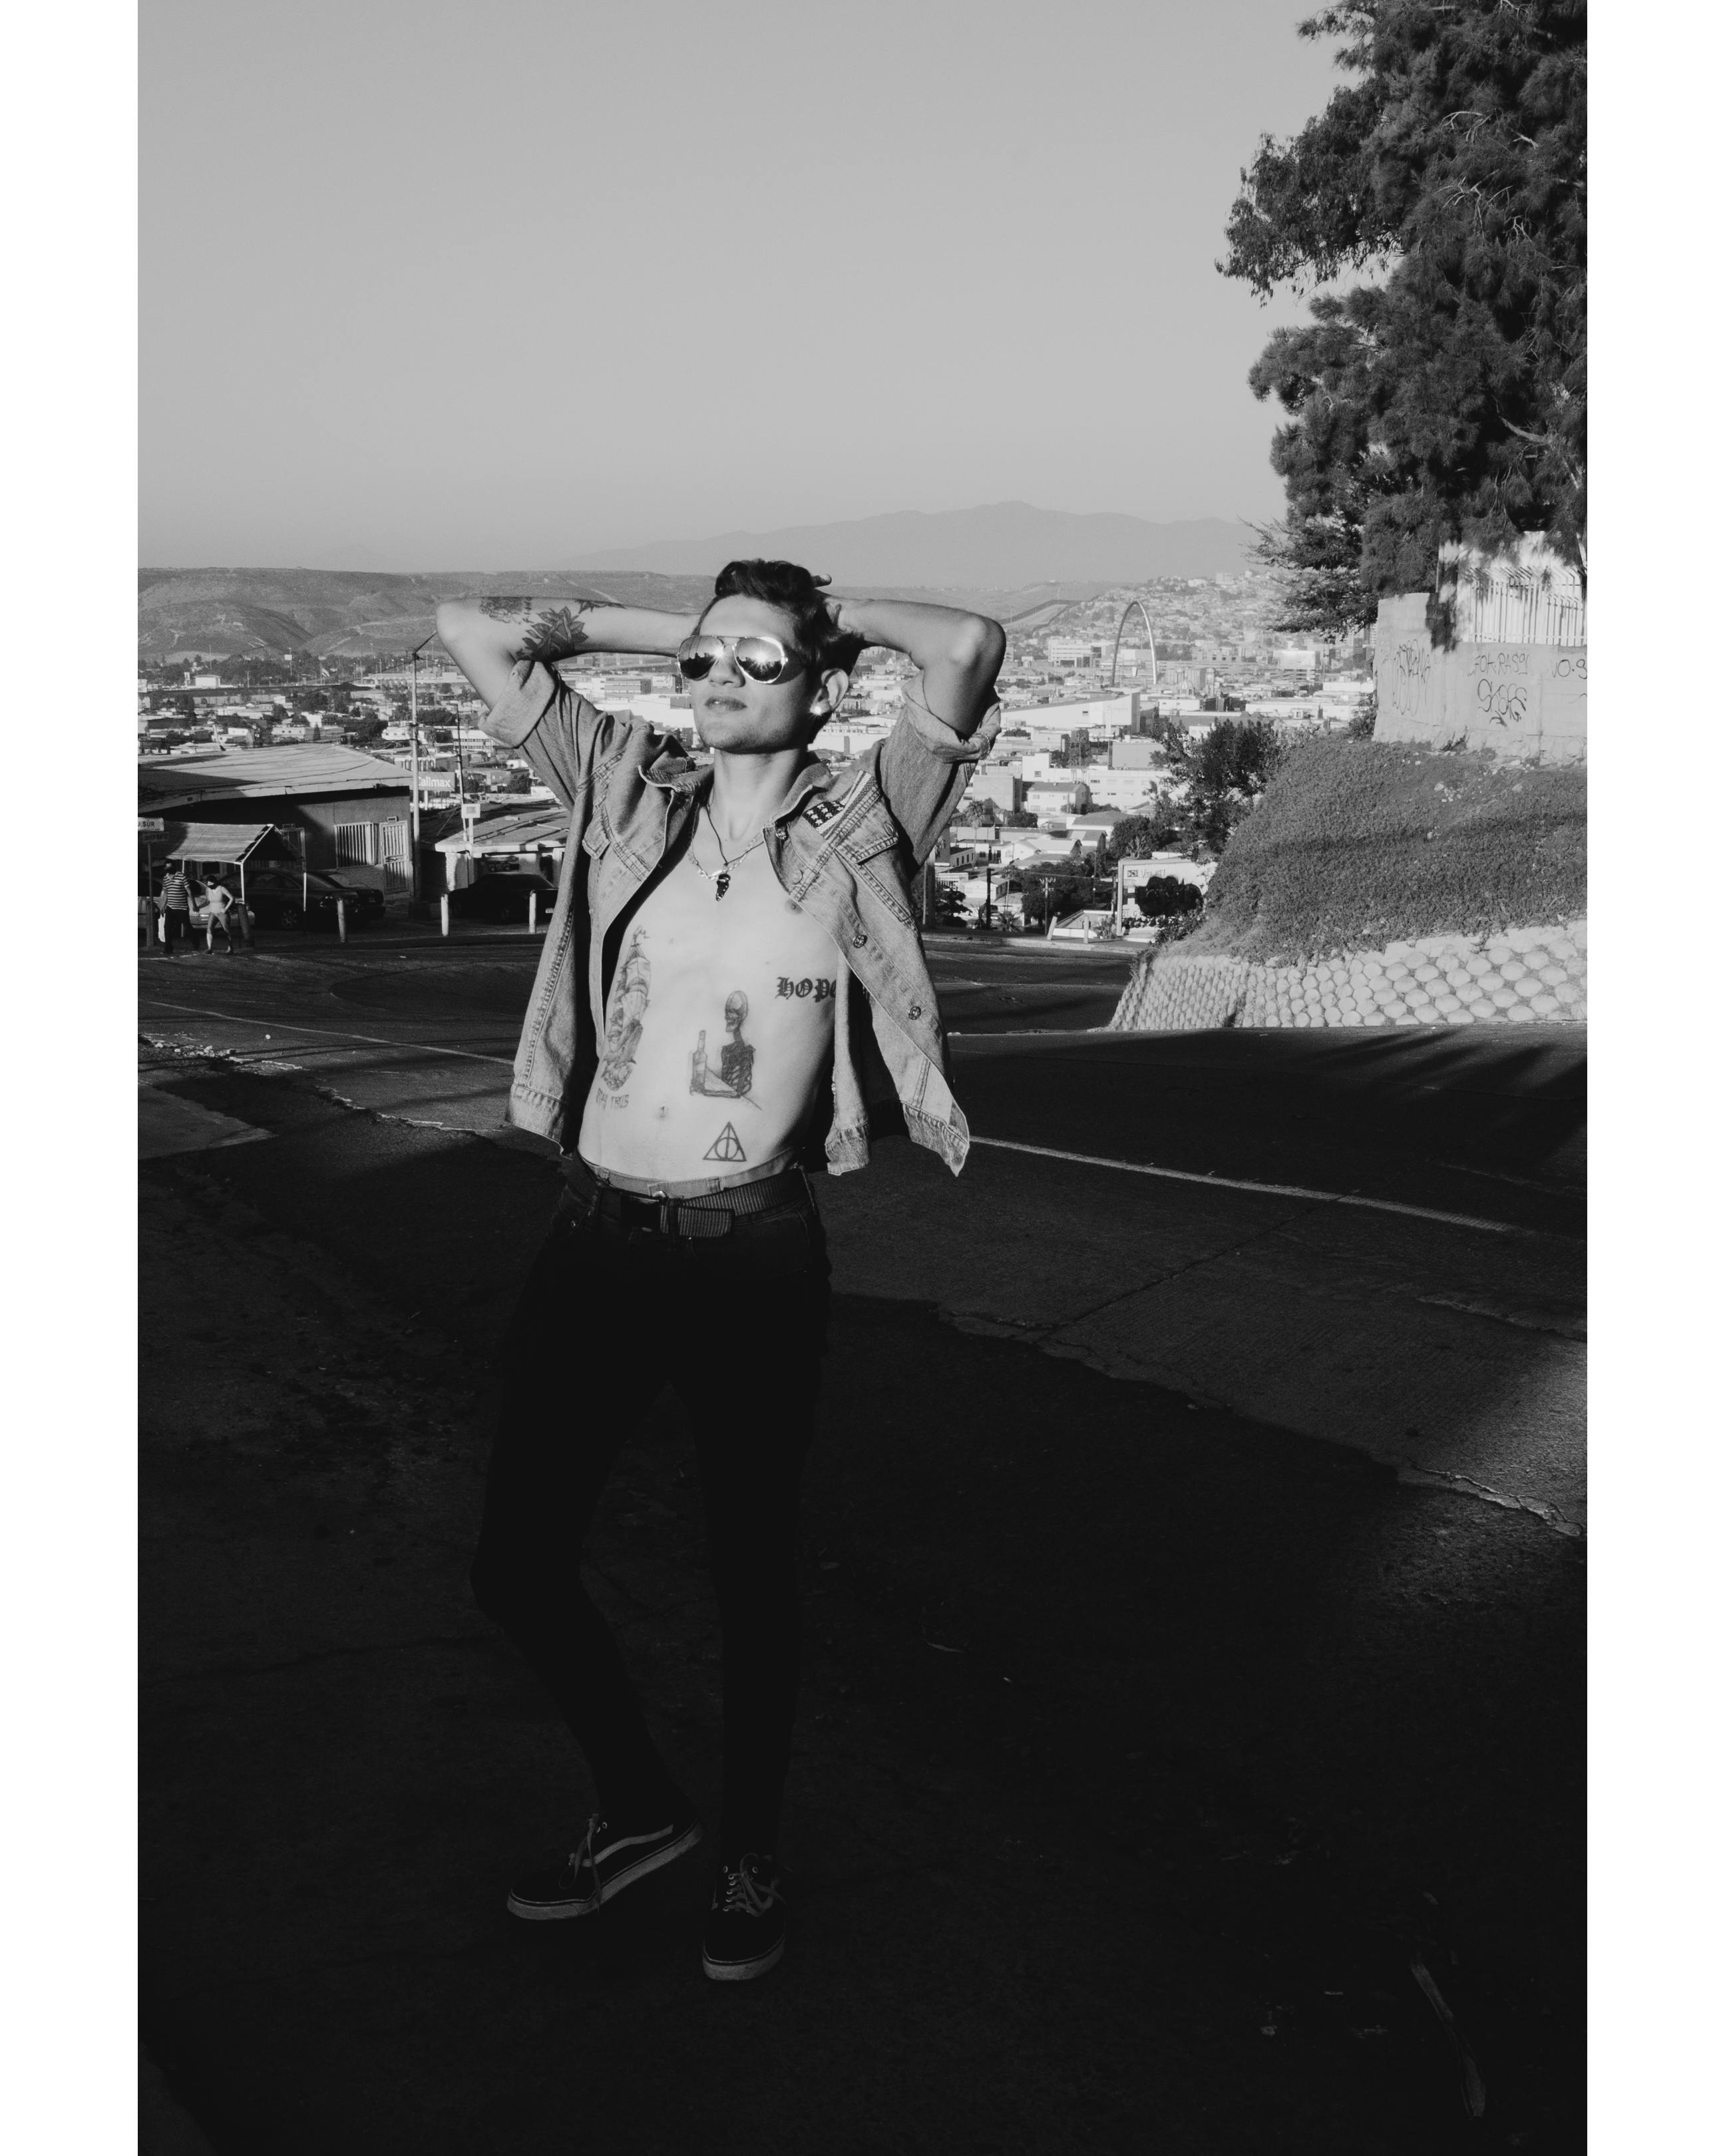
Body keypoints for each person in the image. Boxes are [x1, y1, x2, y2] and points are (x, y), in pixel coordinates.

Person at [437, 560, 1003, 1983]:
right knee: (517, 1564)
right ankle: (638, 1804)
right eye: (704, 664)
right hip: (595, 1238)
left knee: (750, 1571)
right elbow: (474, 634)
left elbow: (964, 642)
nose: (721, 681)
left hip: (749, 1253)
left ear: (822, 685)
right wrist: (697, 635)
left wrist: (817, 627)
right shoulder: (627, 790)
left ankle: (749, 1852)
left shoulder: (868, 817)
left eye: (761, 663)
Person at [157, 863, 194, 956]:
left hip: (182, 907)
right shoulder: (166, 878)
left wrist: (194, 905)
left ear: (174, 867)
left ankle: (196, 943)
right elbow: (166, 893)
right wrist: (163, 906)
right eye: (167, 867)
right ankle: (168, 949)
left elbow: (189, 891)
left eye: (170, 867)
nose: (168, 869)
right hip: (170, 907)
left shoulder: (182, 876)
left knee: (187, 926)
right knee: (167, 928)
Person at [201, 876, 238, 954]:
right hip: (213, 912)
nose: (210, 885)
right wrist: (199, 907)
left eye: (211, 883)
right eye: (208, 884)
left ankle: (230, 948)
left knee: (226, 930)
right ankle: (209, 948)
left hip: (222, 913)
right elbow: (207, 901)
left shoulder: (222, 889)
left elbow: (232, 898)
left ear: (215, 882)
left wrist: (226, 909)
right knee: (209, 928)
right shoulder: (208, 890)